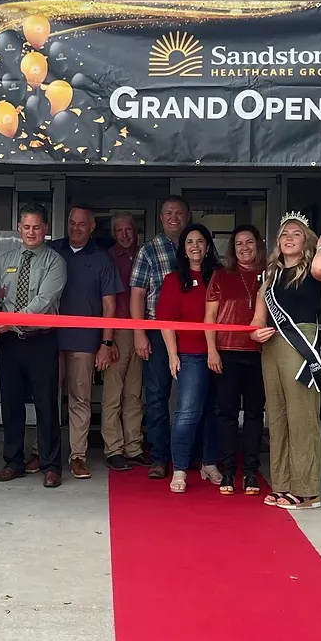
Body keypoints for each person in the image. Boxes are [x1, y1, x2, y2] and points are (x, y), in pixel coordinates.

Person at [250, 212, 321, 510]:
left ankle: (307, 491)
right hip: (272, 344)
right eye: (284, 233)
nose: (288, 238)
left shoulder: (312, 268)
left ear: (306, 241)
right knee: (278, 416)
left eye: (296, 233)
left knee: (302, 417)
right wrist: (256, 332)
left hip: (300, 343)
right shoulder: (270, 276)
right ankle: (283, 484)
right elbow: (258, 316)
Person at [0, 203, 68, 488]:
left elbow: (42, 303)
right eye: (26, 227)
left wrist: (8, 322)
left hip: (40, 341)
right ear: (19, 228)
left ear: (45, 230)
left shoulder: (55, 262)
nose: (31, 232)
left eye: (36, 227)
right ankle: (13, 462)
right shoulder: (4, 258)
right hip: (9, 343)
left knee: (46, 405)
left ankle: (50, 464)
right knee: (11, 404)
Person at [48, 204, 122, 480]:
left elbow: (110, 305)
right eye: (71, 222)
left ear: (92, 228)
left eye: (81, 224)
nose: (75, 228)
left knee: (80, 399)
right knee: (47, 398)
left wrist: (107, 343)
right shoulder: (53, 250)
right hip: (49, 339)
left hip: (84, 340)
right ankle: (42, 451)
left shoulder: (102, 258)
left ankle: (77, 456)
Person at [157, 224, 222, 494]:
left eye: (200, 241)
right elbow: (165, 321)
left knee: (216, 412)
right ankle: (181, 468)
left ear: (208, 247)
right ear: (183, 249)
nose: (195, 246)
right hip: (191, 354)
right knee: (187, 414)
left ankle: (209, 462)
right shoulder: (174, 280)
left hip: (221, 353)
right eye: (189, 242)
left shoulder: (219, 276)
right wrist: (173, 354)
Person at [129, 195, 189, 479]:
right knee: (156, 397)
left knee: (191, 398)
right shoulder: (148, 250)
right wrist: (140, 333)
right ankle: (160, 457)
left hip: (192, 335)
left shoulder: (197, 247)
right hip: (155, 332)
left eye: (178, 213)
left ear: (187, 217)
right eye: (168, 213)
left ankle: (188, 454)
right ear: (162, 217)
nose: (173, 217)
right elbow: (138, 295)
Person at [206, 225, 267, 496]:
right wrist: (212, 350)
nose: (244, 247)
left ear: (258, 245)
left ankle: (251, 473)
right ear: (233, 248)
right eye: (239, 243)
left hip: (259, 355)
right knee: (227, 414)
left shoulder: (270, 275)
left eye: (249, 242)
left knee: (254, 414)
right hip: (227, 352)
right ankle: (229, 470)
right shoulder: (220, 276)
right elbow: (209, 319)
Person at [101, 212, 148, 471]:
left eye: (128, 230)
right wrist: (108, 340)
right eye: (119, 231)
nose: (124, 235)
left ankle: (134, 446)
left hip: (141, 330)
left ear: (136, 230)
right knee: (112, 394)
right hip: (117, 330)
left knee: (134, 393)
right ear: (113, 233)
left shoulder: (144, 254)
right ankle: (114, 448)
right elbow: (104, 302)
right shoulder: (107, 257)